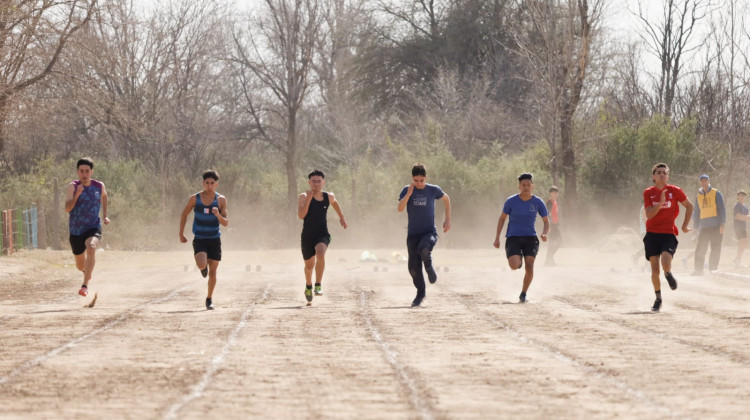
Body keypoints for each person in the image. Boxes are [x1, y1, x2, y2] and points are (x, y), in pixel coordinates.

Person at [397, 163, 451, 307]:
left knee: (424, 249)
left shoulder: (433, 190)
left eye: (421, 180)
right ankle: (420, 294)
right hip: (413, 234)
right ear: (412, 178)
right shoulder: (406, 190)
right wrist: (409, 193)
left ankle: (428, 265)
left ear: (426, 178)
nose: (419, 183)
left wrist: (448, 219)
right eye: (416, 180)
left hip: (429, 232)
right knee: (413, 269)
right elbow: (400, 208)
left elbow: (446, 199)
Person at [643, 163, 693, 312]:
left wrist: (684, 226)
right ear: (653, 176)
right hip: (652, 234)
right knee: (654, 270)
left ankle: (668, 273)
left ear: (668, 176)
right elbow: (650, 214)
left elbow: (689, 206)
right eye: (658, 172)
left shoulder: (675, 190)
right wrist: (661, 203)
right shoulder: (648, 192)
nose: (662, 175)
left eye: (665, 173)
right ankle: (658, 299)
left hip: (668, 233)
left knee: (665, 262)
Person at [493, 173, 549, 303]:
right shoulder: (511, 201)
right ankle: (519, 261)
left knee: (530, 266)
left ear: (532, 186)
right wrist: (497, 238)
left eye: (528, 185)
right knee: (514, 265)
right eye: (523, 185)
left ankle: (523, 293)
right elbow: (502, 219)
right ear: (519, 186)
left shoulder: (538, 202)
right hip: (513, 237)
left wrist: (545, 233)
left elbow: (546, 221)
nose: (526, 187)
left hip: (530, 238)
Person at [179, 170, 228, 310]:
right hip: (200, 238)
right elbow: (184, 214)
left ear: (216, 184)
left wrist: (218, 215)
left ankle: (209, 299)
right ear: (203, 183)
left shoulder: (221, 200)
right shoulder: (195, 199)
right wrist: (181, 234)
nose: (209, 186)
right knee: (201, 264)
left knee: (213, 273)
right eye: (207, 183)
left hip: (214, 239)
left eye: (212, 183)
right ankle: (203, 268)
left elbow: (225, 223)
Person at [298, 169, 348, 305]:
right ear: (309, 183)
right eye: (313, 181)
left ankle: (318, 284)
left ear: (323, 183)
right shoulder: (303, 196)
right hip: (307, 235)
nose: (316, 184)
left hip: (322, 233)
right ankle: (308, 285)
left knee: (320, 253)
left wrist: (342, 217)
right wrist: (309, 199)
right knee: (309, 267)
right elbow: (301, 215)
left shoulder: (328, 196)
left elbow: (335, 203)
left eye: (318, 181)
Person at [65, 157, 110, 298]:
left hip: (93, 227)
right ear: (78, 172)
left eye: (87, 171)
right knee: (80, 266)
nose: (84, 174)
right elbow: (67, 208)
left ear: (91, 172)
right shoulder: (72, 186)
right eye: (82, 171)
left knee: (91, 247)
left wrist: (105, 215)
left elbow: (105, 196)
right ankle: (87, 272)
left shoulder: (99, 186)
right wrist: (77, 194)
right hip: (76, 231)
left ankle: (84, 286)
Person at [692, 174, 726, 274]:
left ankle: (713, 269)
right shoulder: (698, 195)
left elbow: (722, 210)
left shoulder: (716, 193)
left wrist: (722, 224)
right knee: (700, 248)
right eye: (702, 181)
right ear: (700, 182)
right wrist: (695, 227)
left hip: (716, 226)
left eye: (705, 180)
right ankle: (698, 270)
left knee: (715, 247)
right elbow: (696, 212)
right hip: (704, 227)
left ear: (709, 181)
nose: (704, 182)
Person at [545, 186, 562, 266]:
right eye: (554, 193)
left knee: (554, 242)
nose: (555, 194)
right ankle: (549, 259)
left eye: (556, 193)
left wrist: (557, 222)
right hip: (551, 225)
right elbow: (546, 214)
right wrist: (548, 226)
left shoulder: (555, 202)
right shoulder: (550, 202)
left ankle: (549, 260)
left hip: (554, 225)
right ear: (550, 193)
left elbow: (554, 214)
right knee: (559, 241)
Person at [733, 190, 749, 267]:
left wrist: (747, 217)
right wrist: (747, 217)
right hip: (738, 227)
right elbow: (738, 217)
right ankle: (738, 260)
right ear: (738, 197)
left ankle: (737, 258)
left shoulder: (746, 206)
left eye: (743, 195)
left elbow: (746, 217)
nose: (742, 197)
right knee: (742, 243)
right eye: (740, 195)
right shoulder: (737, 206)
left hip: (743, 227)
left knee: (744, 243)